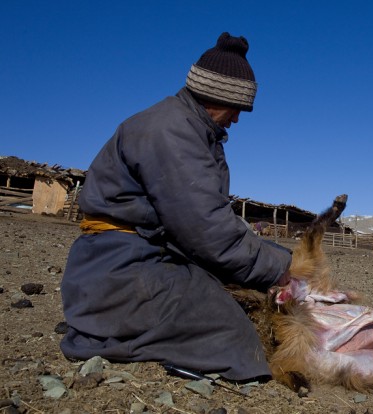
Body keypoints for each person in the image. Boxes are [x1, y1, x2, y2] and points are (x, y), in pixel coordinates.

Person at [60, 32, 293, 381]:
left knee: (239, 300)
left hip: (139, 256)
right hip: (117, 270)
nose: (238, 119)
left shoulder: (190, 127)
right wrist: (282, 269)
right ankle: (105, 337)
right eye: (237, 108)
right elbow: (207, 230)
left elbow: (208, 221)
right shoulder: (172, 131)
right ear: (215, 95)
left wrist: (278, 258)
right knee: (231, 330)